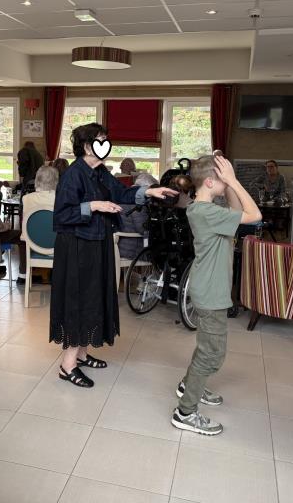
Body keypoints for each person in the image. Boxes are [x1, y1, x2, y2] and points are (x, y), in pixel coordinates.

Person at [51, 123, 177, 388]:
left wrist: (149, 191)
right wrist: (94, 205)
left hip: (98, 242)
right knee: (79, 300)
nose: (105, 145)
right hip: (77, 247)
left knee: (94, 297)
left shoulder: (99, 172)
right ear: (87, 146)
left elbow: (120, 192)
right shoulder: (73, 174)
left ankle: (82, 354)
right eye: (100, 140)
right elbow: (62, 215)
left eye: (106, 140)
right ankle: (67, 365)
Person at [171, 155, 261, 435]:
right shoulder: (207, 213)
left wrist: (229, 181)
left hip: (209, 287)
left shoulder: (204, 208)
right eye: (222, 180)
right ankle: (185, 412)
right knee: (212, 353)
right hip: (211, 292)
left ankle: (189, 385)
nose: (227, 184)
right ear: (210, 182)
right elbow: (254, 216)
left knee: (206, 347)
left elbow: (237, 210)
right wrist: (233, 180)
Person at [118, 173, 158, 260]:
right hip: (133, 250)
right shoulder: (138, 201)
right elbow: (142, 228)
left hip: (121, 247)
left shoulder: (124, 196)